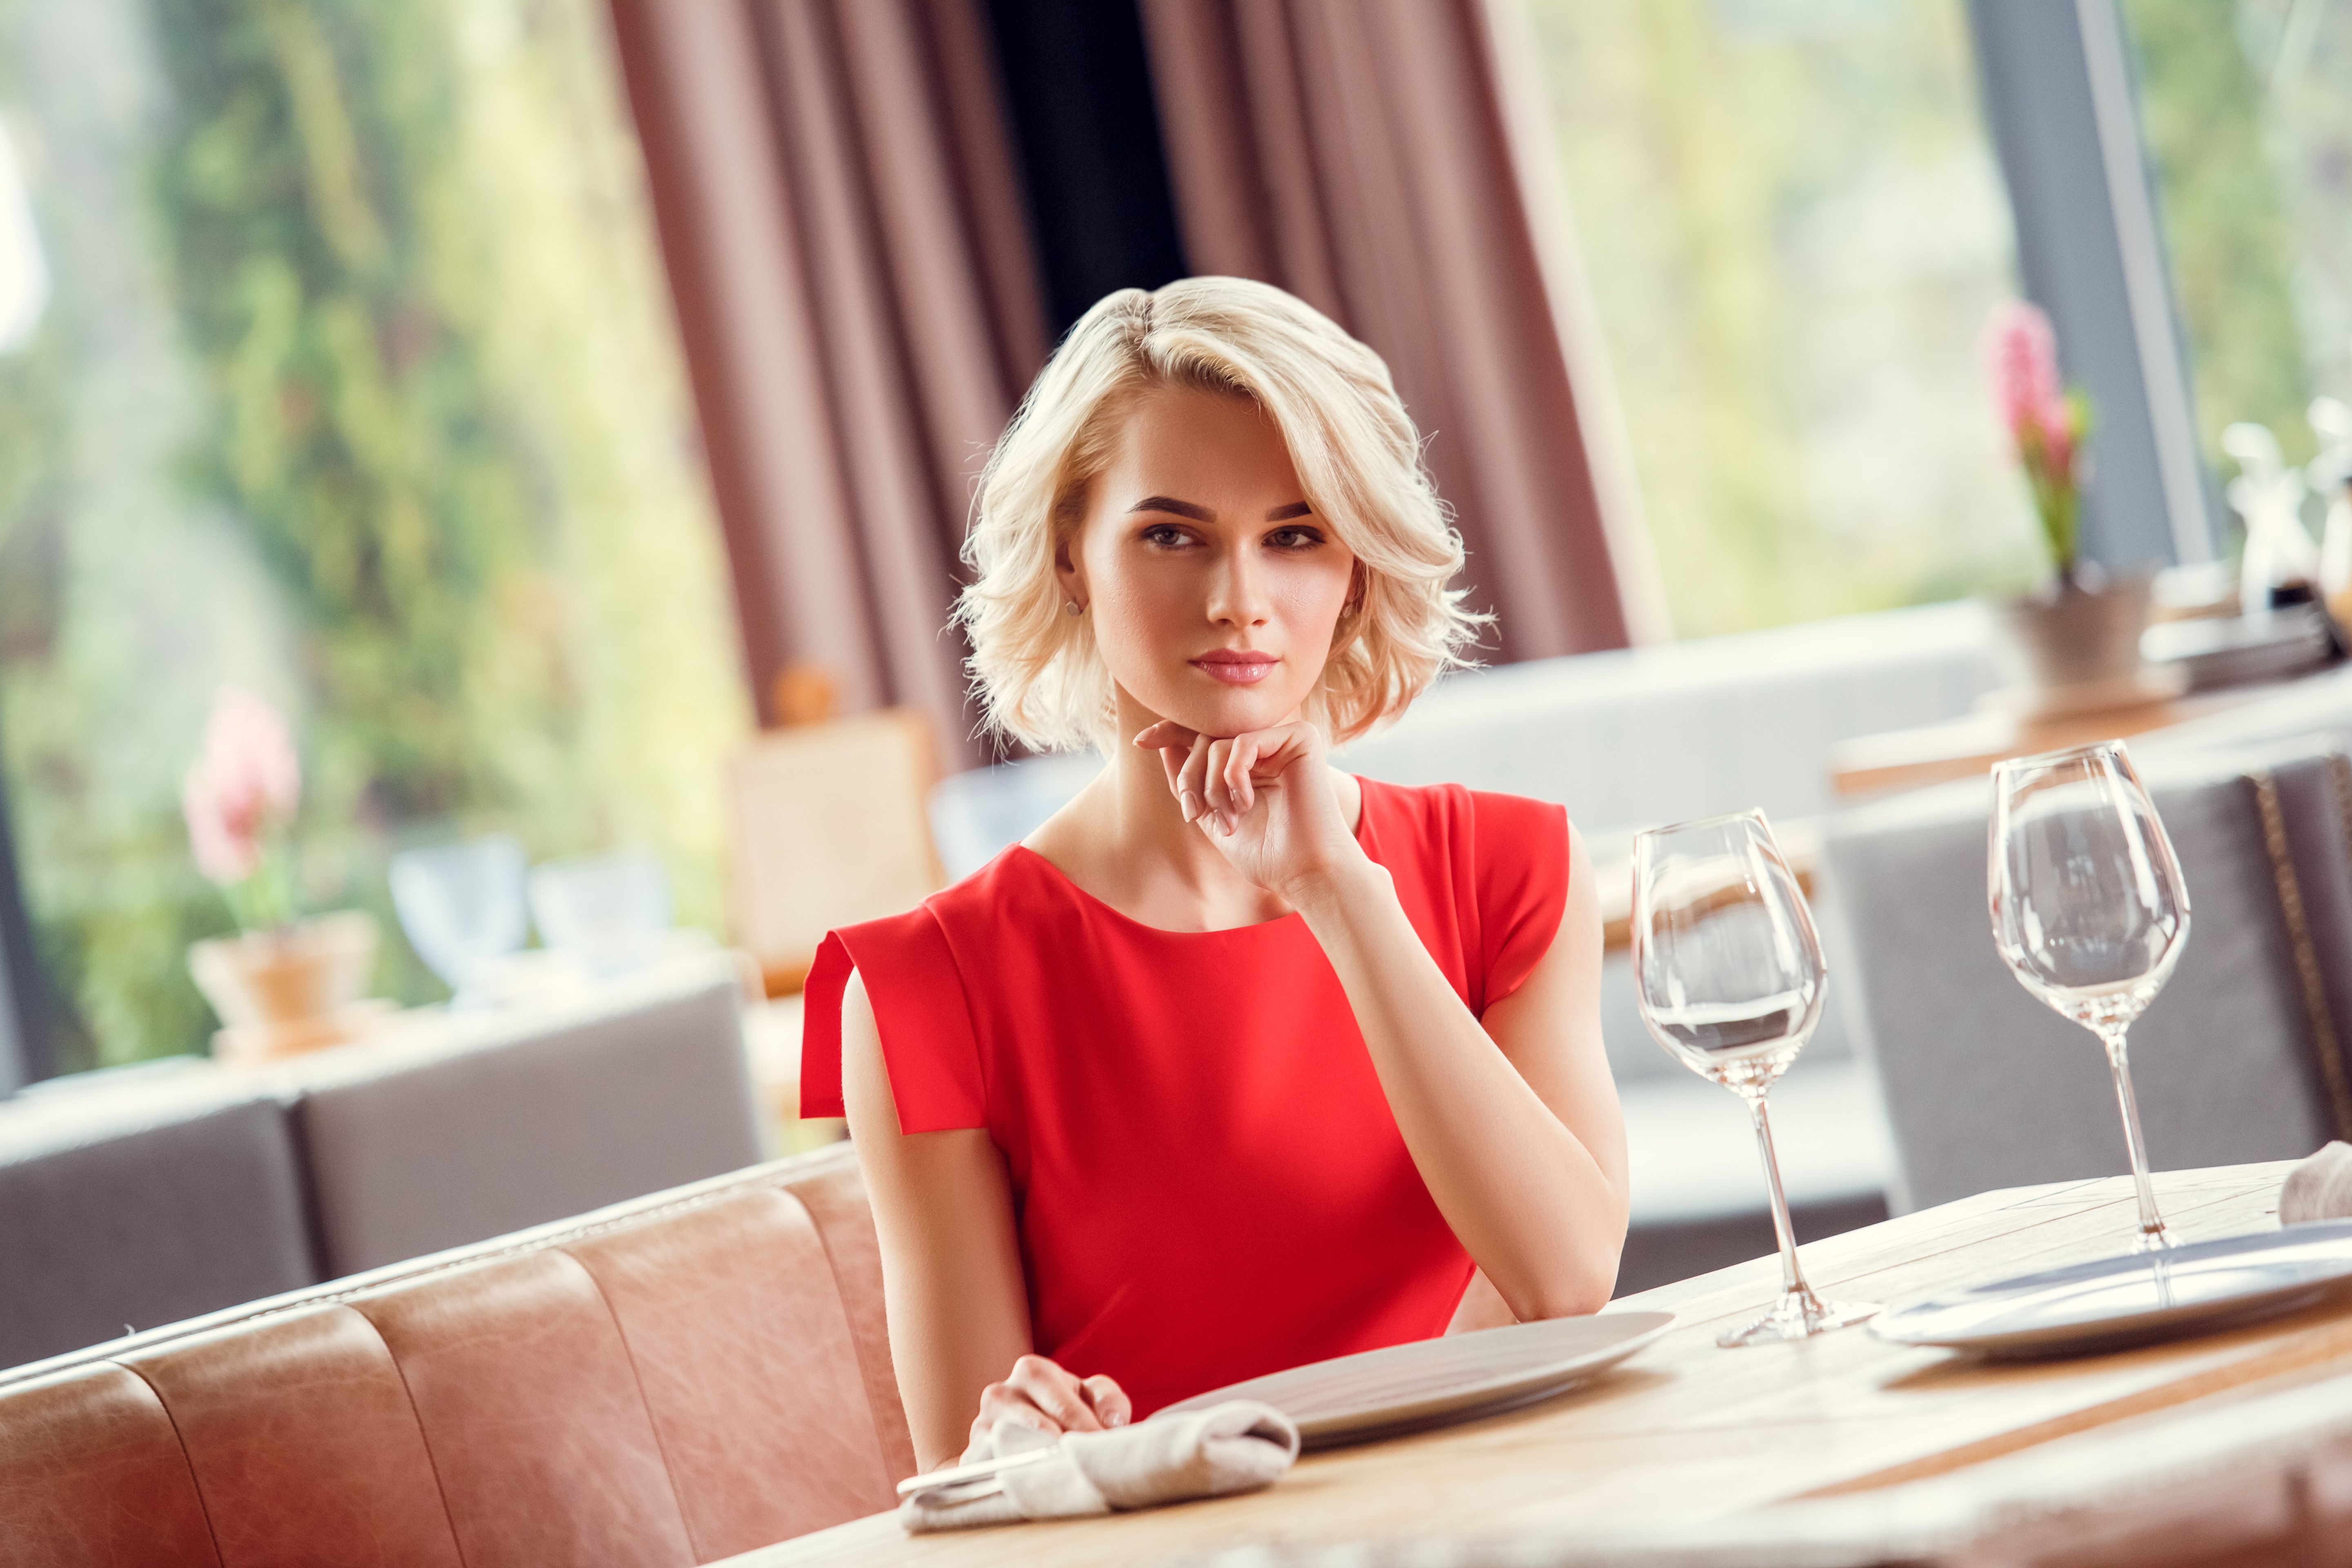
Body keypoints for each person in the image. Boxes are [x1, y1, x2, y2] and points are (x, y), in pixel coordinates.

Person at [800, 277, 1626, 1474]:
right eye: (1172, 534)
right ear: (1072, 556)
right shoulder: (932, 992)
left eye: (1295, 535)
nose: (1239, 600)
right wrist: (1028, 1447)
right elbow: (985, 1491)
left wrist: (1337, 891)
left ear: (1353, 573)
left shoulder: (1510, 873)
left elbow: (1564, 1279)